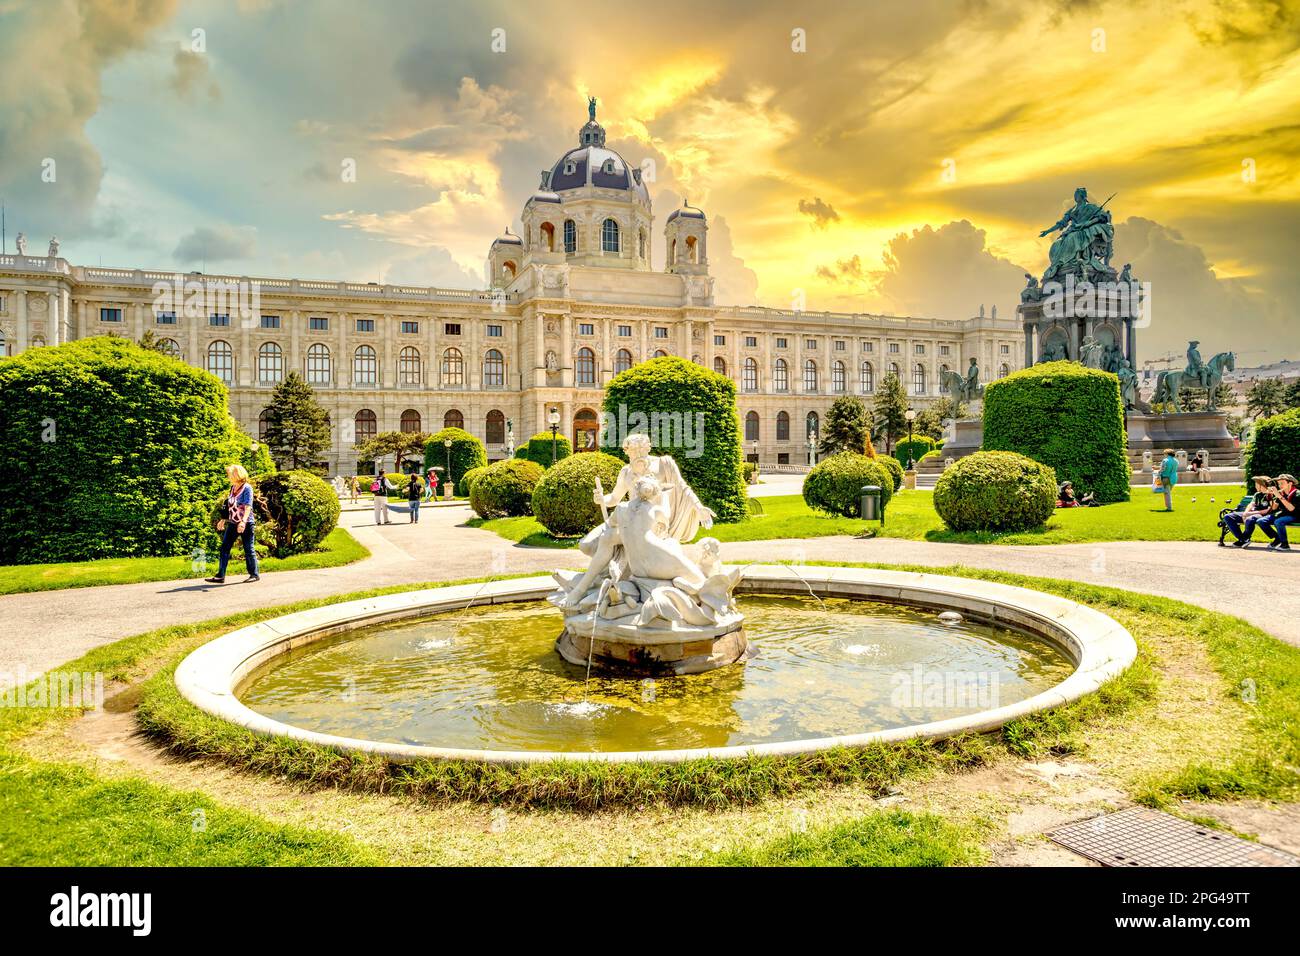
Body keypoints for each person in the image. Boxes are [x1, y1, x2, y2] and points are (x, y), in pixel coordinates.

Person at [206, 464, 259, 584]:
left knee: (248, 549)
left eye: (230, 474)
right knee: (225, 547)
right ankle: (220, 575)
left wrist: (243, 521)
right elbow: (229, 505)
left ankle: (254, 574)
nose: (228, 476)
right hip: (233, 523)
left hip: (246, 523)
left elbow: (248, 506)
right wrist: (223, 519)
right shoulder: (233, 487)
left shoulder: (247, 488)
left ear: (236, 474)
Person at [1224, 476, 1274, 548]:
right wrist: (1245, 513)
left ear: (1261, 485)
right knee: (1228, 517)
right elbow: (1251, 504)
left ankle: (1244, 539)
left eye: (1256, 484)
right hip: (1252, 513)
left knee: (1250, 519)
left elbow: (1267, 511)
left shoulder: (1270, 495)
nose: (1255, 486)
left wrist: (1249, 513)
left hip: (1262, 516)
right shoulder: (1257, 494)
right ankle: (1242, 539)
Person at [1258, 473, 1298, 551]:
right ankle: (1278, 539)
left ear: (1290, 483)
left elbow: (1292, 509)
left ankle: (1285, 544)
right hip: (1284, 514)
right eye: (1279, 483)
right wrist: (1270, 496)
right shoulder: (1281, 493)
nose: (1280, 485)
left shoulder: (1297, 493)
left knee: (1278, 521)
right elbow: (1273, 508)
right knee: (1261, 521)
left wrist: (1279, 496)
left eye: (1282, 483)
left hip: (1296, 515)